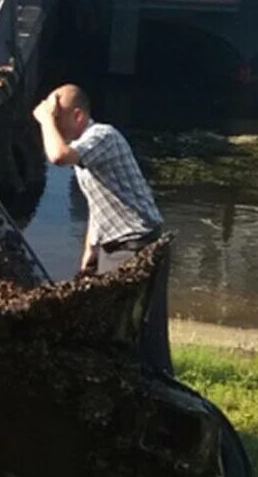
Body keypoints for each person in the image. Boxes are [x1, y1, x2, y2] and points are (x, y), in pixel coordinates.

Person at [32, 84, 171, 373]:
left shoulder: (102, 136)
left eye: (60, 118)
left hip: (136, 242)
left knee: (136, 326)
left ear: (79, 116)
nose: (54, 125)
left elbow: (57, 156)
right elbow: (101, 199)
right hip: (114, 242)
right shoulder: (86, 149)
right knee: (107, 322)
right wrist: (90, 249)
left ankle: (153, 384)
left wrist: (45, 118)